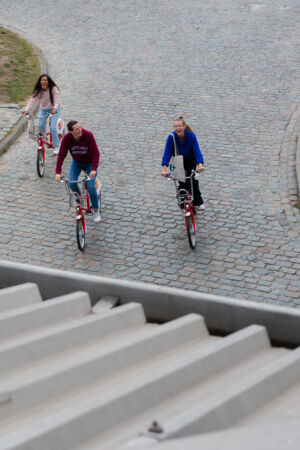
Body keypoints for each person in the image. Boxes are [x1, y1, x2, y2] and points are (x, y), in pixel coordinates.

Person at [55, 121, 101, 223]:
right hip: (77, 162)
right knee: (72, 182)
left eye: (79, 127)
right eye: (76, 129)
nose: (79, 130)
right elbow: (61, 155)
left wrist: (93, 169)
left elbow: (96, 153)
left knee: (91, 186)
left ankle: (96, 210)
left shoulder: (88, 135)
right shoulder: (67, 139)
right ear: (71, 132)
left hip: (89, 163)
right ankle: (80, 198)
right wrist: (58, 172)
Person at [161, 116, 205, 209]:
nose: (178, 128)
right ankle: (182, 200)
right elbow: (167, 153)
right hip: (178, 160)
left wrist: (200, 164)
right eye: (176, 126)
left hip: (190, 160)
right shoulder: (171, 137)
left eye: (180, 126)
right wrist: (164, 169)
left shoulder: (191, 136)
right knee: (181, 182)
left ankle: (198, 201)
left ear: (184, 126)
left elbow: (197, 150)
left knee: (192, 179)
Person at [23, 74, 61, 155]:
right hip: (43, 109)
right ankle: (43, 141)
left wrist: (55, 108)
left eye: (45, 80)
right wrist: (26, 110)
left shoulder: (53, 89)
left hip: (54, 109)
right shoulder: (39, 90)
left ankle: (57, 146)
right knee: (40, 126)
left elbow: (57, 100)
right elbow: (32, 101)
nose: (43, 82)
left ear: (48, 82)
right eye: (41, 80)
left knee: (53, 128)